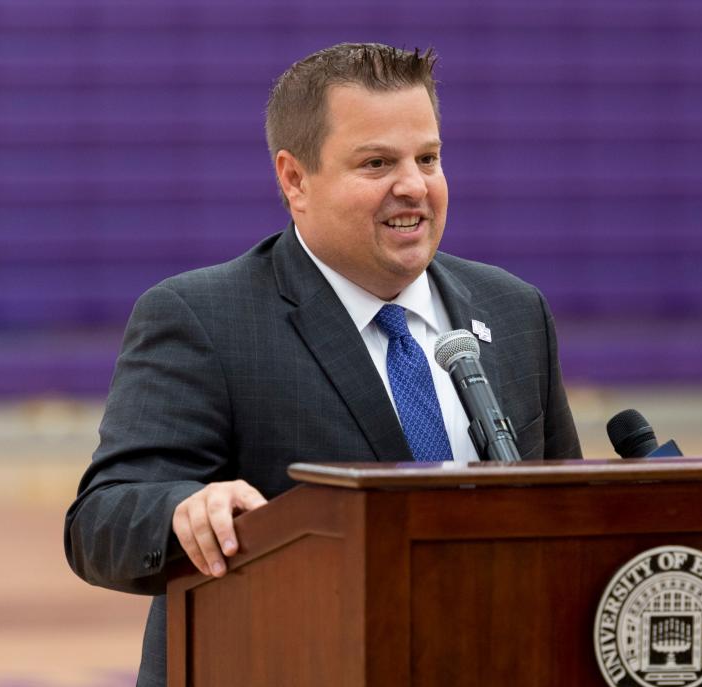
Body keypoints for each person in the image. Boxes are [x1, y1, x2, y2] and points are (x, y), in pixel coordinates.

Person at [64, 43, 581, 687]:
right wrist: (182, 508)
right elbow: (101, 522)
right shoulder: (202, 318)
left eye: (428, 158)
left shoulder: (513, 310)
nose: (414, 186)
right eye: (377, 163)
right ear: (294, 179)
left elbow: (571, 521)